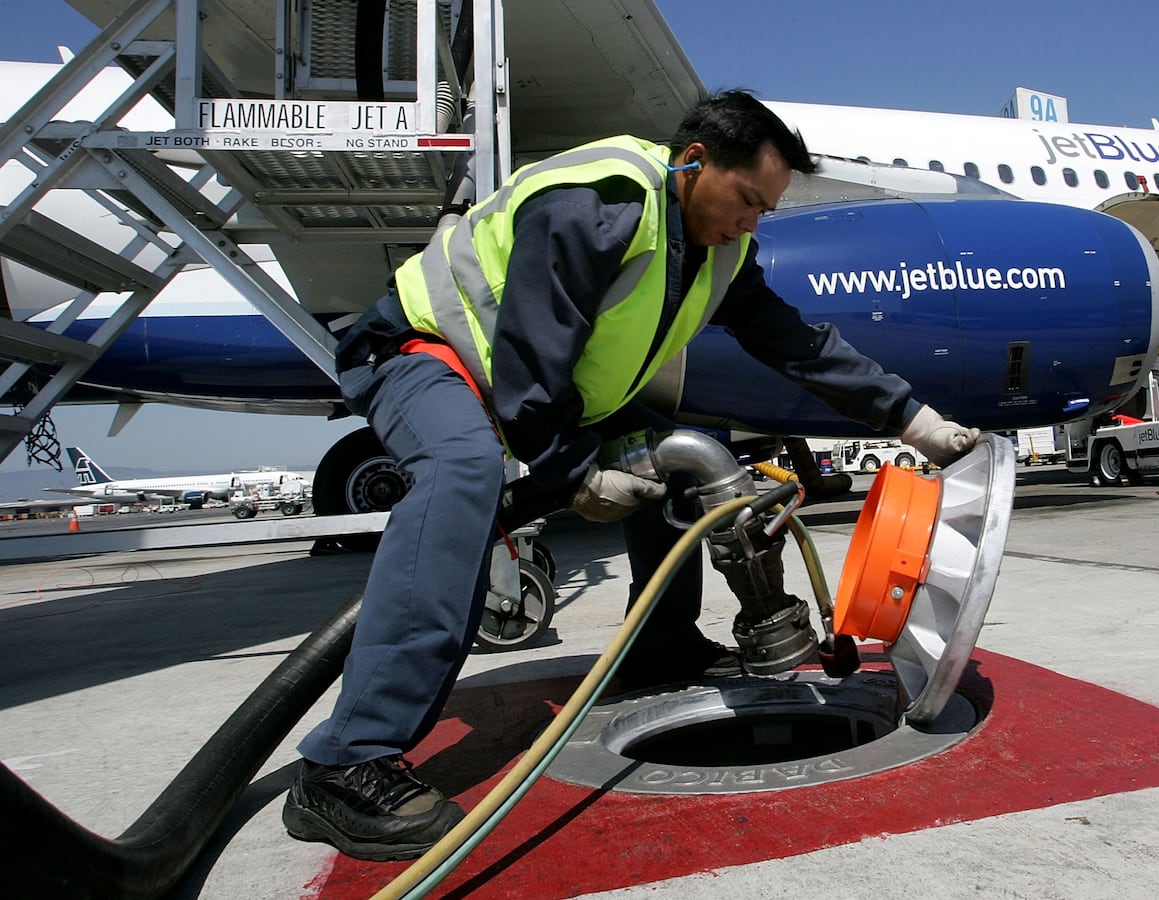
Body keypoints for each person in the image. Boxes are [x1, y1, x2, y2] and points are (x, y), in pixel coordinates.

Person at [282, 91, 979, 860]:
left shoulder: (722, 249)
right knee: (462, 473)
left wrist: (912, 419)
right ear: (694, 163)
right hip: (424, 351)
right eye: (747, 199)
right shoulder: (599, 202)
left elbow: (797, 344)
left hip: (535, 382)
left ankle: (661, 646)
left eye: (765, 210)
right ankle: (346, 764)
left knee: (681, 455)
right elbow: (530, 355)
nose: (752, 222)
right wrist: (575, 474)